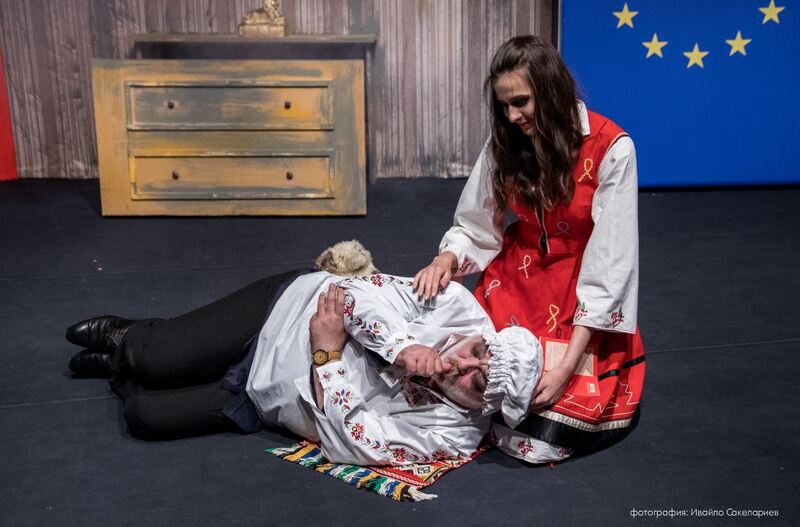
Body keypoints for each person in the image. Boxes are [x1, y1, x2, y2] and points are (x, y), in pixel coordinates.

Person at [413, 35, 645, 460]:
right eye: (504, 105)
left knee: (539, 431)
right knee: (451, 374)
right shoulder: (507, 140)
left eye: (521, 102)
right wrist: (446, 258)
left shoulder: (612, 148)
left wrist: (566, 367)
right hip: (516, 278)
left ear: (551, 91)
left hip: (579, 289)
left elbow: (611, 264)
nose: (512, 116)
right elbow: (477, 224)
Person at [65, 269, 558, 466]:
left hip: (269, 397)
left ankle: (119, 368)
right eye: (478, 349)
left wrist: (327, 355)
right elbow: (353, 291)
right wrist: (402, 345)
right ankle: (128, 339)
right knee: (158, 358)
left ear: (485, 404)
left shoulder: (456, 435)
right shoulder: (458, 308)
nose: (462, 361)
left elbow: (357, 445)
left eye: (476, 378)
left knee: (145, 416)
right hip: (282, 313)